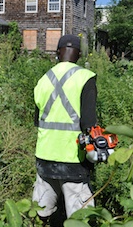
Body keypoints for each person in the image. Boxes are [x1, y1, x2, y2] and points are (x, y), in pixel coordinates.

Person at [32, 34, 98, 225]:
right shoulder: (86, 77)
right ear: (78, 55)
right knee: (80, 219)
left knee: (42, 212)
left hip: (44, 157)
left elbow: (38, 121)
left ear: (57, 53)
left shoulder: (43, 80)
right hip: (73, 159)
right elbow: (89, 123)